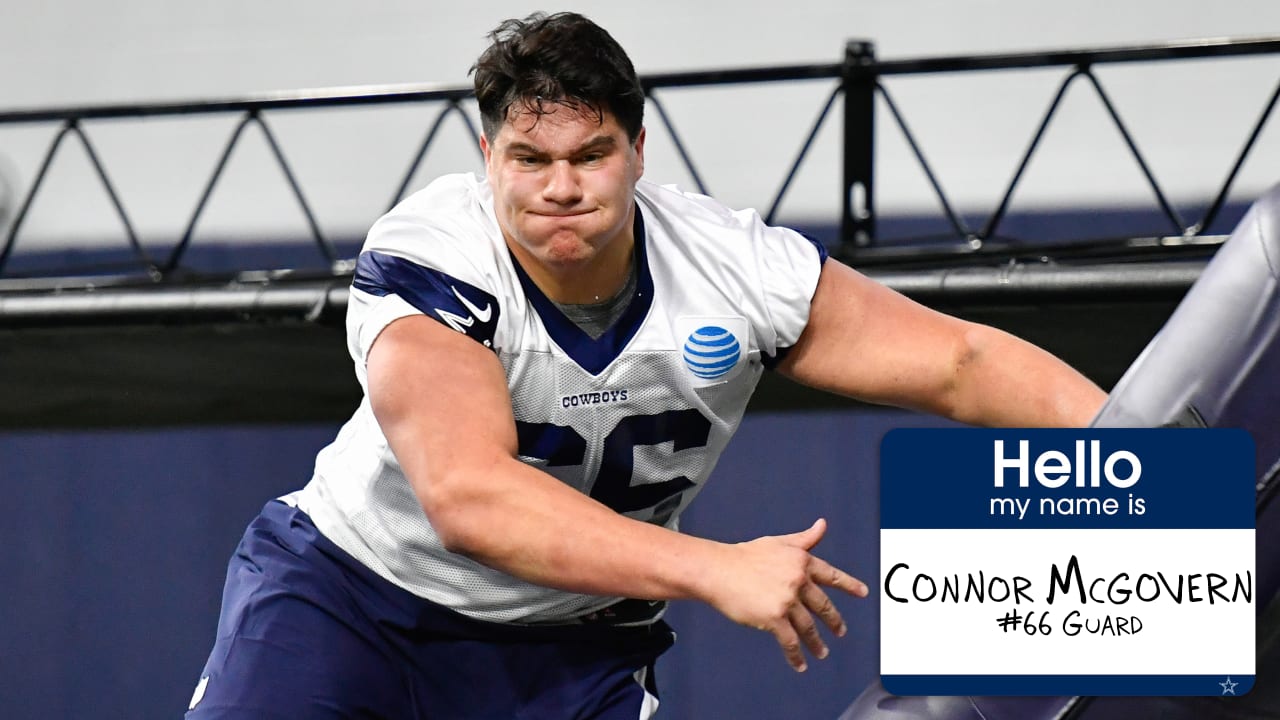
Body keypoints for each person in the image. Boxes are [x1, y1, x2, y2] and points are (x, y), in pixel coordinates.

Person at [186, 11, 1107, 719]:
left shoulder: (732, 266)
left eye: (590, 154)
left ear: (637, 150)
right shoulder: (435, 253)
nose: (558, 186)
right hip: (354, 600)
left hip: (572, 641)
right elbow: (467, 495)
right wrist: (715, 568)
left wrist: (1161, 474)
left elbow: (963, 360)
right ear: (486, 157)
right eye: (528, 157)